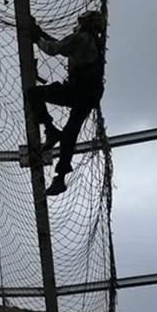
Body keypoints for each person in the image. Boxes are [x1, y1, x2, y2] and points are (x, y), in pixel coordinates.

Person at [27, 10, 108, 197]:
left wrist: (37, 39)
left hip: (78, 91)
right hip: (90, 95)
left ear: (85, 23)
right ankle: (60, 178)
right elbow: (62, 45)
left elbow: (53, 49)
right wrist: (40, 34)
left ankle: (50, 129)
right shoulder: (94, 42)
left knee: (35, 94)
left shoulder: (81, 38)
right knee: (70, 134)